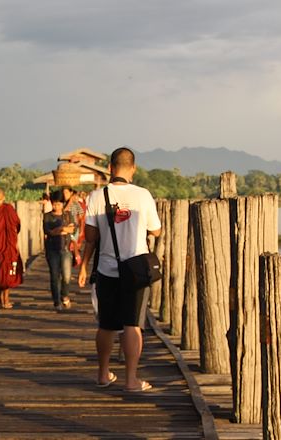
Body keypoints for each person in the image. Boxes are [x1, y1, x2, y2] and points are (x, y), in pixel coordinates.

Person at [78, 147, 161, 392]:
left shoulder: (95, 196)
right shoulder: (143, 195)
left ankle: (103, 375)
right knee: (132, 325)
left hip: (106, 269)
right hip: (135, 269)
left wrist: (83, 267)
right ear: (133, 168)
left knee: (106, 325)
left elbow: (91, 237)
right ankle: (131, 379)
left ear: (110, 169)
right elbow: (156, 230)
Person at [43, 190, 75, 311]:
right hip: (52, 250)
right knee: (54, 276)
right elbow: (49, 232)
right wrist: (62, 229)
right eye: (55, 204)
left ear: (63, 203)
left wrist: (60, 230)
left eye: (59, 204)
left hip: (66, 248)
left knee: (66, 276)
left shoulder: (68, 215)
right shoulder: (47, 216)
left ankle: (64, 295)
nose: (57, 206)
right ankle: (56, 301)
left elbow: (72, 230)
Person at [61, 186, 86, 267]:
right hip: (64, 229)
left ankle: (74, 259)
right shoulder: (63, 203)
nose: (65, 195)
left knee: (71, 246)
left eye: (66, 192)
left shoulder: (75, 203)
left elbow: (81, 216)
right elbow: (63, 212)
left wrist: (81, 229)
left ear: (71, 193)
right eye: (64, 193)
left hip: (74, 228)